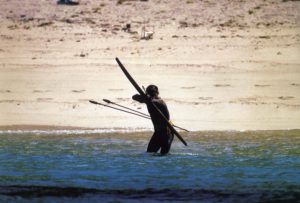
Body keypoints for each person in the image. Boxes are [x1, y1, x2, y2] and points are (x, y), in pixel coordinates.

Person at [132, 85, 174, 155]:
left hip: (167, 132)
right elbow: (134, 97)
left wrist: (148, 99)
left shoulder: (159, 101)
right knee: (149, 154)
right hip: (158, 132)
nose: (153, 95)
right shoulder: (148, 100)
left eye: (153, 94)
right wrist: (144, 97)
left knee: (163, 155)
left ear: (157, 93)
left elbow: (155, 101)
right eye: (151, 94)